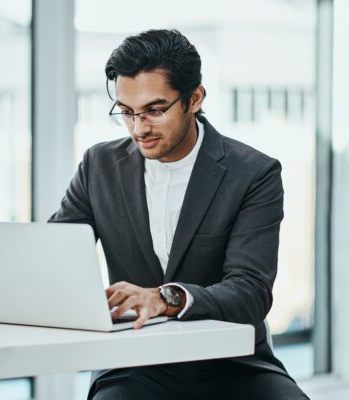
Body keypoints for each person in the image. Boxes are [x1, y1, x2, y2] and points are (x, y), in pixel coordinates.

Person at [49, 29, 309, 400]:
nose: (139, 129)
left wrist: (165, 298)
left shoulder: (253, 173)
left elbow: (250, 293)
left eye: (154, 110)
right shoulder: (98, 166)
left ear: (195, 98)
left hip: (232, 364)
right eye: (126, 113)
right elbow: (56, 257)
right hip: (134, 365)